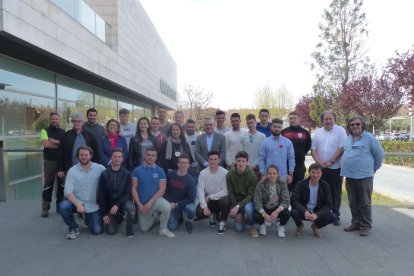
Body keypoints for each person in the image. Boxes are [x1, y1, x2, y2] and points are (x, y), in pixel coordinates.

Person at [341, 116, 384, 236]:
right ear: (349, 127)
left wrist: (373, 169)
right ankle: (356, 222)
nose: (355, 126)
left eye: (357, 124)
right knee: (353, 202)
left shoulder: (369, 138)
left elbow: (379, 155)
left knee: (364, 202)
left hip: (364, 177)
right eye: (352, 125)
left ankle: (366, 225)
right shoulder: (348, 138)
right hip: (350, 176)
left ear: (362, 125)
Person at [59, 145, 106, 240]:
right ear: (78, 156)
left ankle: (87, 219)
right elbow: (68, 192)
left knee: (97, 231)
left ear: (91, 155)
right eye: (81, 155)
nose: (84, 157)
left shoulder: (100, 169)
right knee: (63, 206)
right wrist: (78, 205)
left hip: (93, 204)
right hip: (77, 202)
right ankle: (73, 227)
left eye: (86, 155)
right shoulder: (72, 171)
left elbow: (109, 182)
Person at [311, 111, 347, 226]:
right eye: (326, 119)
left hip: (335, 167)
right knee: (321, 192)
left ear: (334, 119)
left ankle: (336, 215)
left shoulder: (340, 131)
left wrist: (332, 161)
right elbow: (313, 150)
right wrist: (318, 163)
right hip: (320, 169)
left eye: (330, 118)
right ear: (322, 120)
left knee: (335, 192)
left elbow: (341, 148)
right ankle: (321, 214)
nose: (328, 121)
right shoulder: (317, 133)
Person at [131, 147, 175, 238]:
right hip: (142, 204)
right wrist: (139, 205)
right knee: (144, 229)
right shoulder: (137, 170)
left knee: (166, 206)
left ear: (156, 157)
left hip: (155, 201)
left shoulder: (160, 171)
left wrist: (150, 203)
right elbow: (134, 189)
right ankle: (155, 217)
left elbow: (162, 189)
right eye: (148, 155)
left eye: (153, 155)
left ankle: (163, 229)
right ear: (145, 156)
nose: (150, 157)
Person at [291, 163, 337, 238]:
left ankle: (316, 226)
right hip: (304, 211)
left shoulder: (326, 186)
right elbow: (294, 200)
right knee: (293, 212)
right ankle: (299, 226)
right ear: (309, 172)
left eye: (318, 172)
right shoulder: (301, 184)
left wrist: (317, 214)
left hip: (317, 211)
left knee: (333, 217)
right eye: (313, 172)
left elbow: (329, 205)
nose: (316, 175)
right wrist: (304, 211)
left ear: (321, 173)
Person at [98, 149, 136, 237]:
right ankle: (117, 216)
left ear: (122, 159)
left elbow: (128, 193)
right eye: (115, 156)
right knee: (110, 231)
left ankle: (129, 228)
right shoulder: (104, 174)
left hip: (122, 202)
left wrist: (118, 204)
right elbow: (101, 195)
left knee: (131, 208)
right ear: (111, 158)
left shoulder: (127, 173)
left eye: (119, 157)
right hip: (109, 205)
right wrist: (104, 214)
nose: (117, 159)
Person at [196, 151, 230, 234]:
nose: (213, 161)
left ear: (219, 160)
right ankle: (212, 215)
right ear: (208, 160)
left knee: (225, 201)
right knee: (199, 212)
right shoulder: (203, 173)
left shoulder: (225, 173)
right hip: (209, 200)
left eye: (215, 159)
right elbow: (200, 190)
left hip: (220, 199)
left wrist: (210, 197)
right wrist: (204, 207)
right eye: (211, 159)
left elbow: (226, 191)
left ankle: (222, 222)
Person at [57, 112, 99, 179]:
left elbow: (95, 152)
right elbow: (60, 152)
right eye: (75, 121)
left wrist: (95, 167)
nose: (77, 123)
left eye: (79, 121)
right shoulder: (66, 135)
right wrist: (60, 169)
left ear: (83, 122)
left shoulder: (89, 136)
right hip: (69, 168)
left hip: (87, 168)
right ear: (72, 122)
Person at [253, 164, 290, 238]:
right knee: (256, 215)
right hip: (265, 207)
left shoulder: (282, 183)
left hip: (277, 207)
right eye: (270, 173)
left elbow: (286, 201)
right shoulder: (261, 184)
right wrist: (264, 214)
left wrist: (277, 211)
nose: (272, 176)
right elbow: (257, 202)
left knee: (287, 213)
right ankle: (262, 223)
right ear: (267, 174)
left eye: (274, 173)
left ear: (278, 174)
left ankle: (281, 225)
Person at [226, 151, 257, 236]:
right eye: (239, 161)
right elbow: (231, 193)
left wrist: (238, 207)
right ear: (235, 161)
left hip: (247, 200)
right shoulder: (230, 175)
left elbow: (251, 195)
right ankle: (241, 216)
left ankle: (251, 225)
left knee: (249, 209)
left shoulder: (252, 175)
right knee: (239, 229)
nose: (241, 163)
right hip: (236, 201)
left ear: (247, 162)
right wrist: (238, 210)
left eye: (243, 161)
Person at [40, 112, 65, 217]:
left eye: (56, 119)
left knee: (61, 186)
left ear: (59, 120)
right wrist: (59, 143)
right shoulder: (44, 130)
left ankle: (60, 206)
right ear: (50, 120)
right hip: (49, 161)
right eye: (53, 119)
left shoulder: (63, 131)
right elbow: (46, 144)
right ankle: (45, 208)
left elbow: (65, 145)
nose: (54, 120)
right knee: (48, 185)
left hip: (61, 162)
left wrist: (54, 141)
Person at [164, 153, 196, 233]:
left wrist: (177, 204)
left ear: (189, 165)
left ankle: (188, 221)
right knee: (172, 227)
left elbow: (191, 199)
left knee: (192, 209)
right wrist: (168, 203)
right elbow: (165, 191)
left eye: (185, 163)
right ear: (177, 164)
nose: (183, 165)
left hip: (184, 204)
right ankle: (179, 216)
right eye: (181, 162)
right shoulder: (170, 175)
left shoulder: (191, 180)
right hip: (172, 204)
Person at [282, 111, 312, 193]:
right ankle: (284, 206)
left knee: (298, 190)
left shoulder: (305, 132)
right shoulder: (284, 132)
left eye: (295, 118)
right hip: (286, 166)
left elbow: (308, 146)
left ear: (299, 119)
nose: (293, 120)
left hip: (299, 166)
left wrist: (301, 154)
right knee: (285, 191)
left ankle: (296, 206)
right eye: (291, 118)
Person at [258, 118, 295, 183]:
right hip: (268, 176)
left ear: (281, 128)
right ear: (271, 127)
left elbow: (291, 159)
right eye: (274, 127)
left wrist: (290, 174)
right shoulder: (265, 142)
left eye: (279, 127)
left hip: (283, 176)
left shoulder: (287, 142)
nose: (277, 129)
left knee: (283, 193)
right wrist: (262, 174)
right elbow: (261, 159)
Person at [241, 114, 266, 180]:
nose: (250, 125)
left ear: (255, 122)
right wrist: (247, 164)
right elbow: (242, 152)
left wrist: (254, 165)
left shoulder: (262, 136)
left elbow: (262, 153)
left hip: (258, 166)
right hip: (246, 166)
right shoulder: (243, 136)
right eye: (248, 123)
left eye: (252, 122)